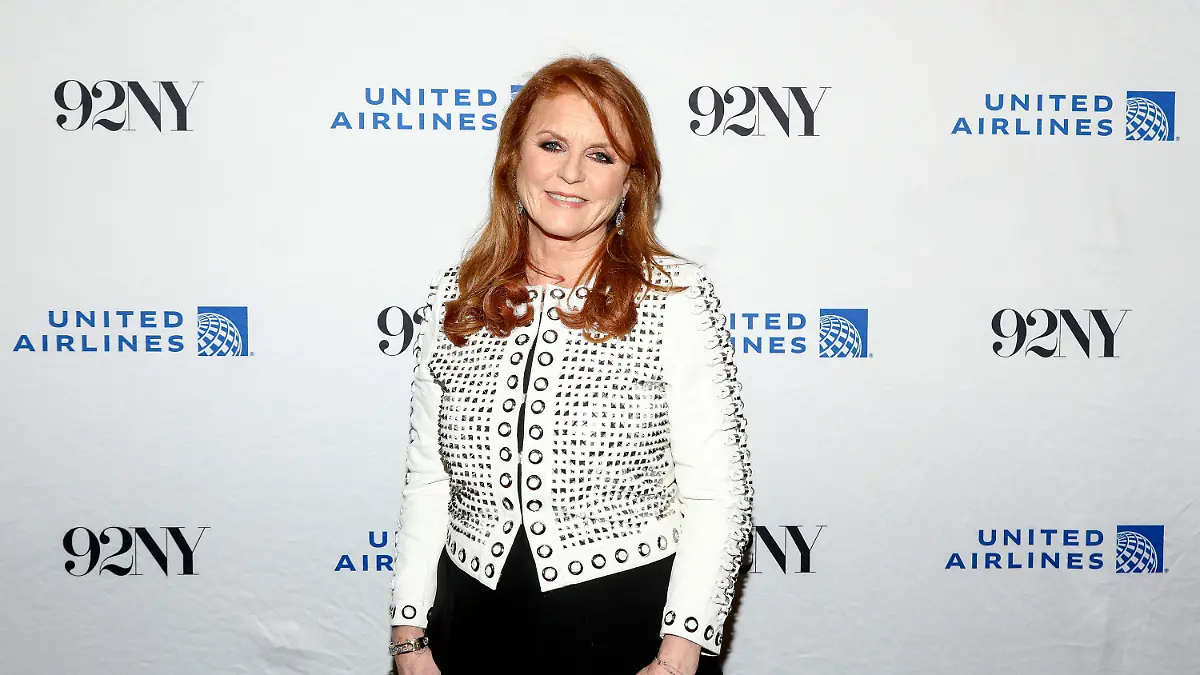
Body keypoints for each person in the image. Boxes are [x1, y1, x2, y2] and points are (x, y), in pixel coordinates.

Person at [388, 55, 754, 675]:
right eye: (552, 144)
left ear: (630, 183)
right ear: (514, 158)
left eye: (601, 155)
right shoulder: (457, 297)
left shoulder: (675, 298)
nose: (571, 173)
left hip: (622, 627)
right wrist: (408, 634)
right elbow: (428, 481)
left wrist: (678, 655)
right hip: (465, 623)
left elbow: (717, 494)